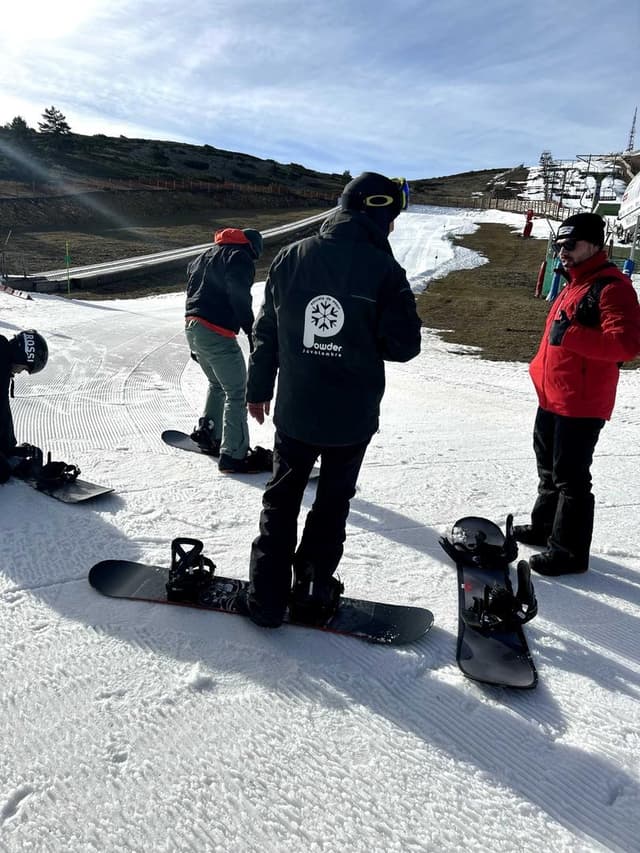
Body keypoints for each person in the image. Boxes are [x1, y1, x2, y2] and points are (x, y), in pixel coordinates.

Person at [242, 171, 422, 627]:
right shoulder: (385, 269)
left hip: (297, 411)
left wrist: (259, 388)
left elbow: (267, 332)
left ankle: (265, 597)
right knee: (332, 504)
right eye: (392, 218)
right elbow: (404, 346)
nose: (394, 229)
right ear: (377, 212)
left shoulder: (290, 257)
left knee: (281, 499)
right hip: (352, 418)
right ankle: (312, 590)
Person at [516, 212, 640, 576]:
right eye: (559, 244)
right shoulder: (575, 282)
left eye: (570, 245)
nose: (563, 251)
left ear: (595, 245)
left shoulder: (611, 286)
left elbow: (626, 345)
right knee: (548, 470)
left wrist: (570, 336)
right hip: (553, 396)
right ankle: (544, 528)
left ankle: (569, 553)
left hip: (581, 402)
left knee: (571, 477)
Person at [184, 227, 272, 474]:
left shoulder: (205, 255)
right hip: (216, 331)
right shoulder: (239, 257)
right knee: (237, 391)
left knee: (217, 383)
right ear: (253, 248)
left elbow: (191, 291)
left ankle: (209, 434)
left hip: (193, 327)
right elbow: (239, 294)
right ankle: (234, 454)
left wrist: (195, 338)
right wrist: (251, 330)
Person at [0, 329, 49, 483]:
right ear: (21, 356)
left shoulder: (3, 360)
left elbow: (2, 407)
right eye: (25, 367)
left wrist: (8, 446)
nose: (21, 372)